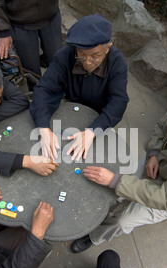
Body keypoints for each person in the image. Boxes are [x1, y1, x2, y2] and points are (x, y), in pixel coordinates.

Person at [71, 92, 167, 253]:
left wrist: (116, 180)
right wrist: (154, 153)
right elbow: (161, 126)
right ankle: (98, 213)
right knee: (113, 192)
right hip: (156, 162)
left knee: (122, 221)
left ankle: (94, 237)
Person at [29, 14, 129, 162]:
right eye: (82, 55)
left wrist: (93, 131)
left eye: (95, 56)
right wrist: (43, 127)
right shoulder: (65, 55)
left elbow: (119, 101)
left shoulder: (117, 62)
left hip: (99, 111)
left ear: (108, 48)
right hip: (70, 102)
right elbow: (44, 88)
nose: (88, 62)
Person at [0, 0, 62, 88]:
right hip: (20, 22)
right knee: (32, 71)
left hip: (50, 15)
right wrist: (4, 32)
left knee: (58, 61)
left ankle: (60, 91)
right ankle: (37, 94)